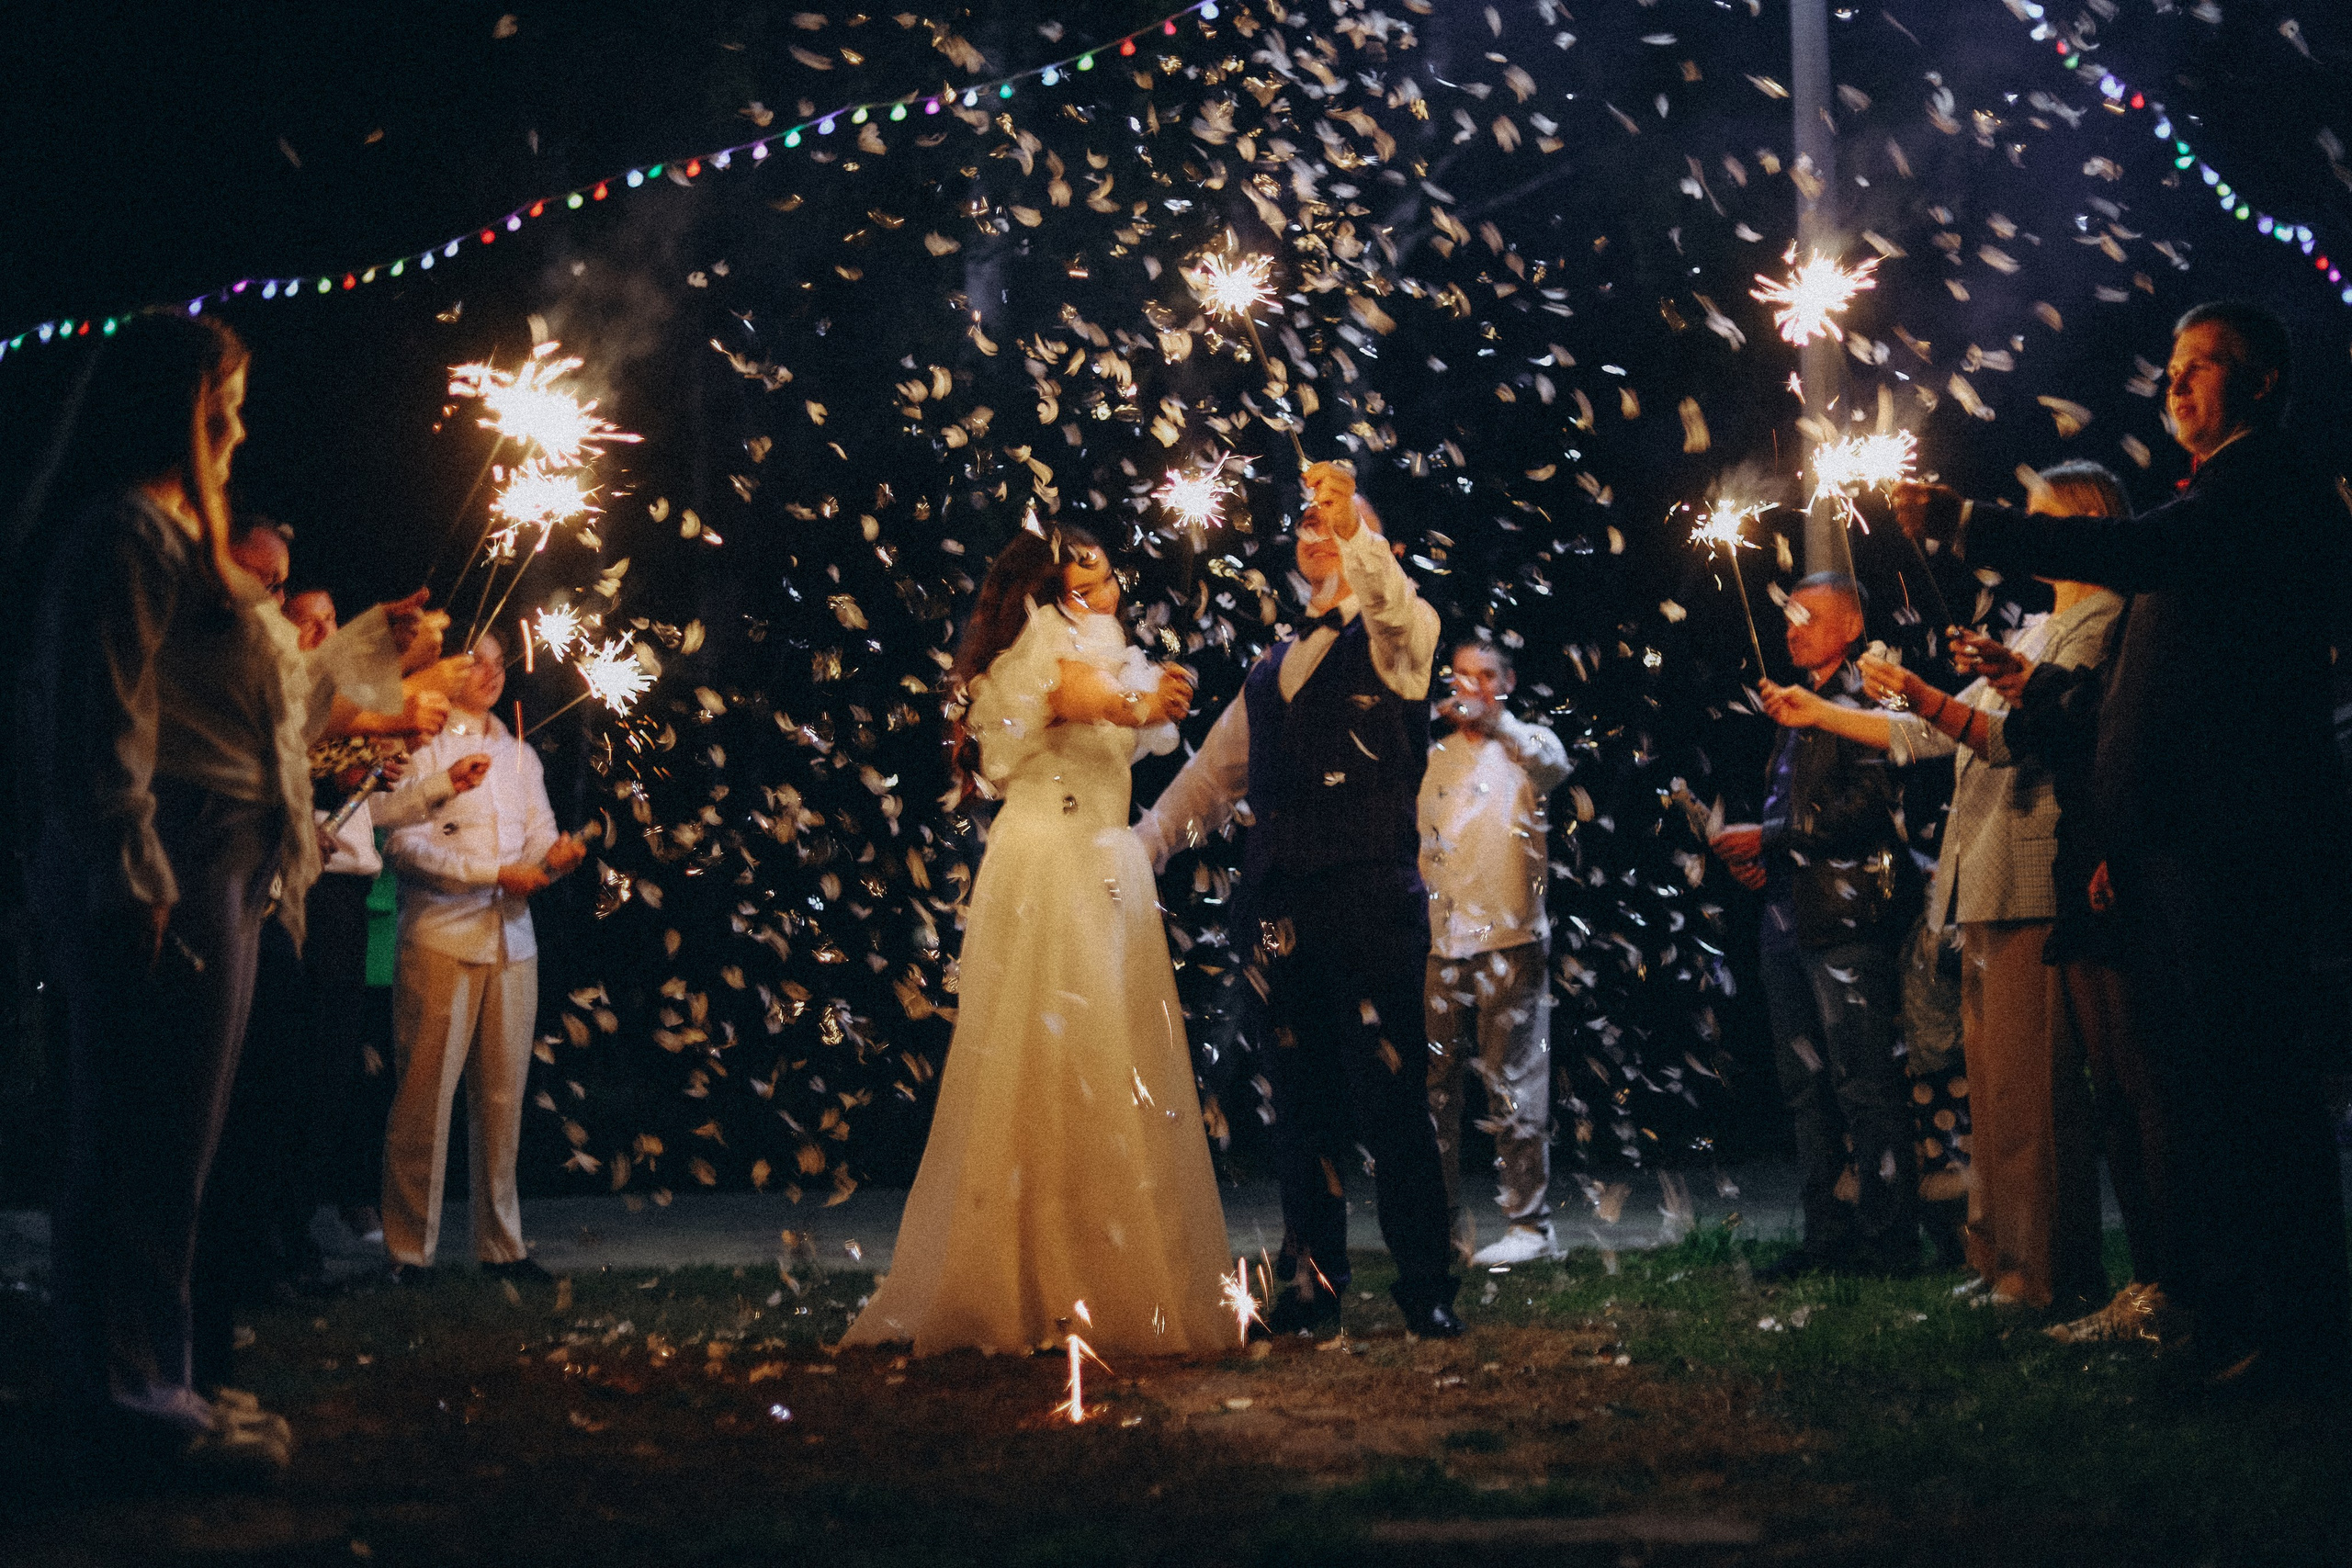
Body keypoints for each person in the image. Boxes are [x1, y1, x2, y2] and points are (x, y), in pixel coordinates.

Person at [1896, 299, 2352, 1394]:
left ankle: (2290, 1328)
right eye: (2176, 368)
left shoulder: (2259, 487)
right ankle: (2239, 1310)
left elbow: (2137, 558)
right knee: (2205, 1081)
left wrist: (1972, 526)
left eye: (2207, 367)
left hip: (2234, 837)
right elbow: (2137, 702)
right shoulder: (2213, 494)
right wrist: (2120, 824)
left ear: (2262, 382)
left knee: (2249, 1081)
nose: (2180, 385)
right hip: (2180, 835)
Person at [19, 313, 434, 1484]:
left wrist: (367, 646)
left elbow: (273, 724)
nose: (240, 429)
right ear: (179, 410)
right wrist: (133, 874)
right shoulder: (125, 535)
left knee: (179, 1143)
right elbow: (102, 722)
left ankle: (157, 1376)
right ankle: (124, 1393)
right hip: (174, 860)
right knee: (142, 1135)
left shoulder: (186, 550)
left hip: (226, 858)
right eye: (227, 405)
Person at [842, 524, 1234, 1355]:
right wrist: (1138, 702)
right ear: (1056, 586)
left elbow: (1113, 708)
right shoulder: (1044, 644)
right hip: (1054, 866)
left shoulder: (1103, 639)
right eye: (1085, 557)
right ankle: (1032, 1278)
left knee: (1107, 1060)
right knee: (1059, 1058)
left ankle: (1101, 1269)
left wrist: (1153, 698)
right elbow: (1070, 697)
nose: (1105, 561)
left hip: (1099, 857)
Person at [1766, 467, 2128, 1310]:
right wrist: (1819, 713)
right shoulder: (2039, 625)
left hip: (2035, 871)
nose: (2023, 531)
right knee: (1994, 1094)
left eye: (2040, 519)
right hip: (1983, 878)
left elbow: (2010, 740)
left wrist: (1931, 694)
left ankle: (2046, 1272)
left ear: (2087, 525)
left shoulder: (2101, 622)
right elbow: (1925, 734)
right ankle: (1997, 1257)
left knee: (2035, 1095)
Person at [1136, 463, 1463, 1339]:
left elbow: (1389, 603)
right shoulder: (1270, 664)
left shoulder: (1406, 630)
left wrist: (1353, 523)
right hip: (1277, 903)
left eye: (1340, 524)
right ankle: (1311, 1282)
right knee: (1299, 1100)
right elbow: (1212, 776)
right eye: (1310, 524)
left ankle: (1427, 1283)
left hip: (1369, 892)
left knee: (1391, 1094)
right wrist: (1140, 848)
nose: (1316, 533)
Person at [1711, 573, 1920, 1280]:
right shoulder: (1798, 706)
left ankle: (1889, 1239)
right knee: (1806, 1088)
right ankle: (1827, 1236)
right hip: (1789, 920)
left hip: (1847, 919)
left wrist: (1766, 837)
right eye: (1790, 615)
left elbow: (1868, 808)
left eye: (1809, 616)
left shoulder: (1865, 699)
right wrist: (1762, 862)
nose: (1792, 627)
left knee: (1863, 1081)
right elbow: (1799, 815)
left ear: (1854, 623)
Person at [380, 628, 584, 1280]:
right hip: (442, 936)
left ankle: (502, 1243)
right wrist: (491, 872)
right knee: (425, 1099)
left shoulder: (520, 753)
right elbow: (403, 846)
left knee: (502, 1100)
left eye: (500, 662)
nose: (492, 673)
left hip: (512, 941)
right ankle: (409, 1250)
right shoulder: (424, 746)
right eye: (478, 662)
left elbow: (542, 833)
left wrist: (552, 861)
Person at [1419, 635, 1570, 1267]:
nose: (1470, 686)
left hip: (1512, 942)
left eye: (1485, 675)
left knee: (1512, 1084)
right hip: (1439, 943)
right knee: (1435, 1091)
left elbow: (1553, 767)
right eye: (1459, 675)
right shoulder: (1430, 757)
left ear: (1507, 682)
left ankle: (1529, 1226)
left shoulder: (1531, 745)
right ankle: (1438, 1224)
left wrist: (1500, 720)